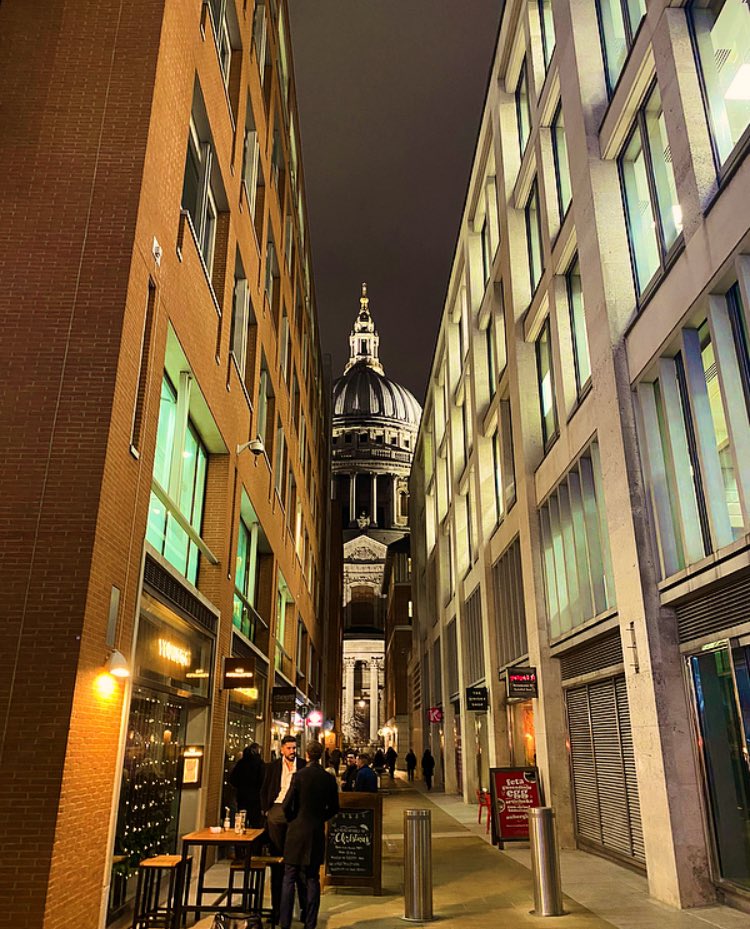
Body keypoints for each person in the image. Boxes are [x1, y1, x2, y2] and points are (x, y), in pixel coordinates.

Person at [280, 741, 339, 929]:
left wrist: (293, 820)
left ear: (307, 755)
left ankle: (285, 923)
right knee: (313, 877)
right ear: (321, 755)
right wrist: (320, 818)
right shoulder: (328, 778)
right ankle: (310, 924)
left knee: (289, 876)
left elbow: (286, 805)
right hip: (315, 832)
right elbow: (335, 808)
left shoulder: (298, 776)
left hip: (296, 832)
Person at [260, 736, 306, 924]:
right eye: (289, 748)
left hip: (296, 810)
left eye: (294, 748)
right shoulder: (272, 768)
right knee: (278, 861)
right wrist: (266, 810)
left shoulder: (303, 765)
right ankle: (277, 909)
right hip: (277, 809)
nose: (292, 751)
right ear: (282, 750)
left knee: (299, 863)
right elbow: (264, 790)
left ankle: (302, 908)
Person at [228, 743, 264, 828]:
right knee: (255, 822)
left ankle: (242, 837)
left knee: (242, 820)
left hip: (242, 796)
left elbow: (233, 779)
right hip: (256, 798)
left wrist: (240, 787)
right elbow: (263, 780)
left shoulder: (241, 763)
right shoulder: (260, 764)